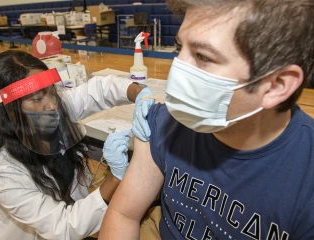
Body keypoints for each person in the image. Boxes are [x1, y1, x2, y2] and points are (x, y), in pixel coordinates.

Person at [99, 0, 314, 239]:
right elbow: (123, 214)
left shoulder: (306, 177)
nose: (177, 69)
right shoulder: (166, 123)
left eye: (202, 56)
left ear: (276, 85)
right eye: (179, 47)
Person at [0, 50, 153, 240]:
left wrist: (140, 93)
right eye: (37, 98)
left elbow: (99, 90)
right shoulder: (1, 169)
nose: (52, 105)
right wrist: (115, 177)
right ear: (9, 111)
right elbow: (62, 227)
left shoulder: (50, 111)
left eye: (51, 92)